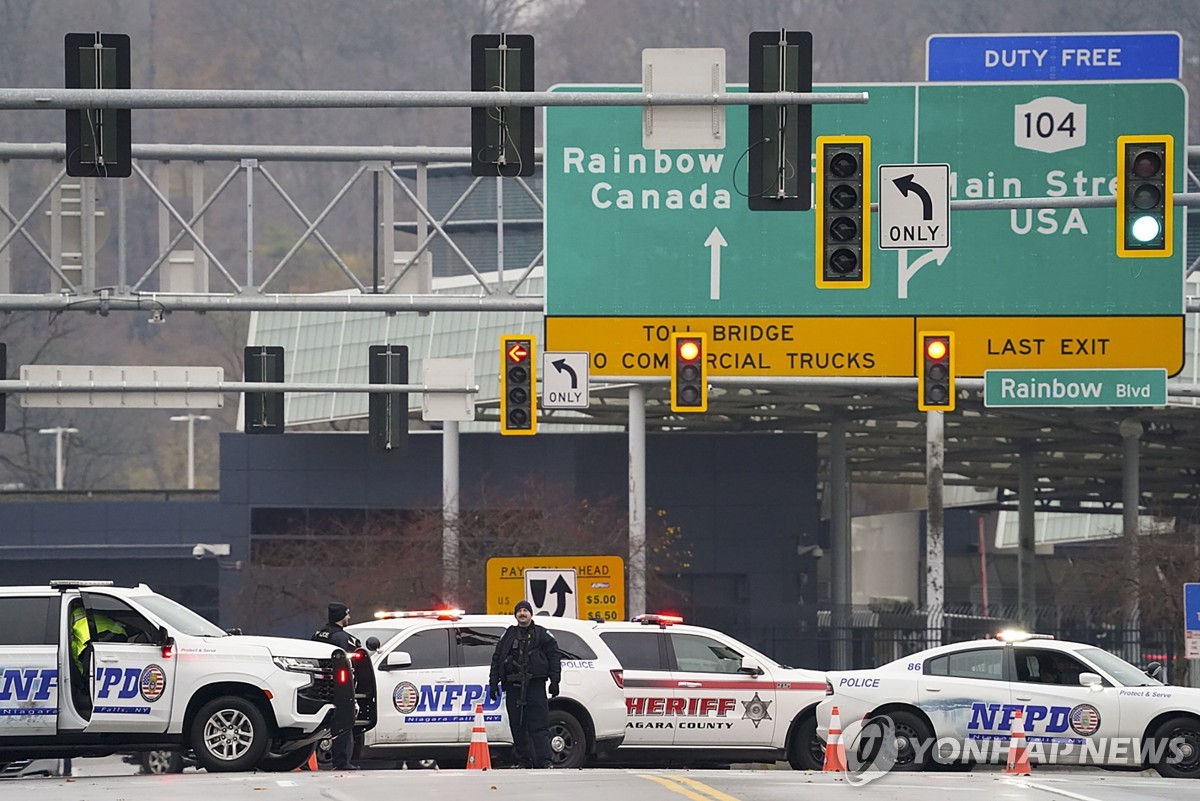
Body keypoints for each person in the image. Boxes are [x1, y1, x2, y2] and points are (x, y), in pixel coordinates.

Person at [489, 600, 562, 769]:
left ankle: (545, 761)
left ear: (530, 613)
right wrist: (493, 683)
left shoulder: (542, 634)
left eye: (525, 610)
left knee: (539, 725)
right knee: (517, 726)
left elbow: (554, 656)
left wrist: (554, 681)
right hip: (513, 686)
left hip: (535, 686)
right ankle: (524, 761)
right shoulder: (508, 635)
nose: (522, 613)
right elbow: (497, 658)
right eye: (519, 611)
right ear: (515, 615)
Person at [313, 602, 361, 770]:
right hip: (339, 686)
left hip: (319, 683)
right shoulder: (341, 637)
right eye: (347, 614)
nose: (349, 617)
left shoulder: (319, 633)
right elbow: (345, 660)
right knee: (344, 722)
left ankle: (308, 761)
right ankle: (342, 762)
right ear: (341, 616)